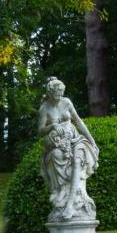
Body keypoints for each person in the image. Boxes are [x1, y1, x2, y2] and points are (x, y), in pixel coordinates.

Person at [38, 77, 99, 222]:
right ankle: (62, 194)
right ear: (50, 92)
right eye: (57, 93)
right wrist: (52, 126)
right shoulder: (44, 108)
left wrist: (92, 140)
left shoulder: (67, 102)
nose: (60, 96)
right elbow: (40, 131)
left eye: (61, 93)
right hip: (57, 143)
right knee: (55, 156)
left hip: (75, 140)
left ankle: (71, 204)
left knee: (78, 161)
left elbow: (78, 121)